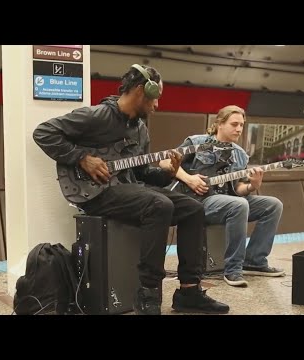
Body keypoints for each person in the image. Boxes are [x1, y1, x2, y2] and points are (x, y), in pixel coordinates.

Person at [32, 64, 229, 315]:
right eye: (156, 97)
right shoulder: (98, 115)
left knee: (191, 208)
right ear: (140, 90)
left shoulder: (140, 129)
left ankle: (189, 291)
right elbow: (44, 132)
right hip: (94, 192)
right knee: (160, 205)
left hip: (128, 189)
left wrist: (167, 172)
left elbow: (144, 175)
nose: (157, 105)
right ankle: (148, 294)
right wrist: (82, 157)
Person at [166, 105, 285, 287]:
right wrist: (189, 179)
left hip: (227, 201)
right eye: (234, 124)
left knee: (273, 205)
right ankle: (233, 270)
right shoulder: (197, 142)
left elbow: (237, 189)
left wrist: (252, 186)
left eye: (242, 125)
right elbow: (167, 161)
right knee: (239, 205)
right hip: (199, 201)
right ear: (219, 124)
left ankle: (254, 261)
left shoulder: (240, 155)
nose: (239, 129)